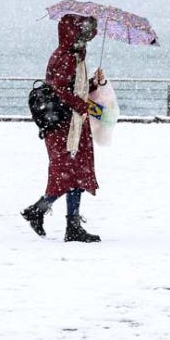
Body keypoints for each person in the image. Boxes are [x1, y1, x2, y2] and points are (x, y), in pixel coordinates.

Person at [20, 15, 104, 242]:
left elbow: (71, 87)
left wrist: (94, 83)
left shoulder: (69, 56)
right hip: (64, 126)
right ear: (73, 35)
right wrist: (81, 105)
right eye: (83, 36)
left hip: (68, 123)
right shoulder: (67, 58)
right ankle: (39, 211)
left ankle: (72, 224)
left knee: (74, 174)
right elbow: (60, 90)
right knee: (67, 173)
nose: (86, 41)